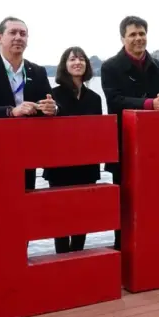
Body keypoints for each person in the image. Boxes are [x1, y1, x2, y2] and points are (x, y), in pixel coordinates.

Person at [101, 15, 159, 250]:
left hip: (154, 146)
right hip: (124, 145)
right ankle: (121, 250)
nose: (138, 38)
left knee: (154, 200)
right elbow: (114, 101)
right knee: (124, 202)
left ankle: (151, 248)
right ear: (123, 37)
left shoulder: (157, 66)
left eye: (142, 33)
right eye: (132, 34)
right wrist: (150, 104)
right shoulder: (110, 67)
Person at [0, 16, 58, 191]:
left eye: (23, 34)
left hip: (27, 150)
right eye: (12, 32)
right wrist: (11, 111)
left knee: (26, 202)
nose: (18, 37)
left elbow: (50, 102)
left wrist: (52, 108)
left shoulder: (37, 71)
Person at [43, 47, 104, 252]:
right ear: (65, 65)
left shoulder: (94, 98)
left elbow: (98, 132)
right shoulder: (53, 95)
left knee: (82, 216)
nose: (77, 62)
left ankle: (78, 254)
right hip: (60, 165)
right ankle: (61, 257)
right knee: (60, 217)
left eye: (81, 59)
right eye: (72, 59)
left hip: (86, 165)